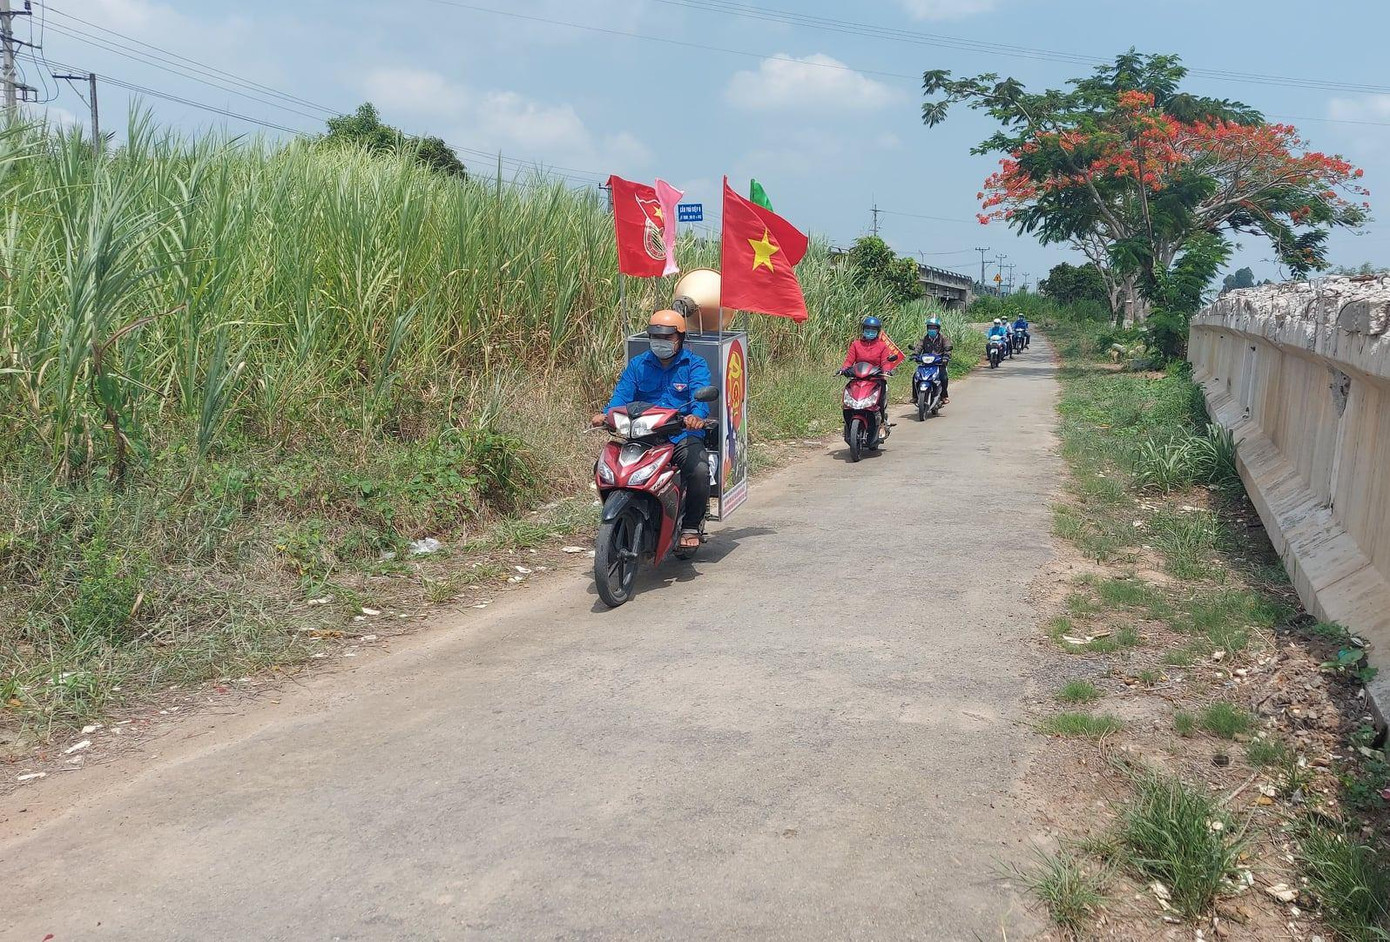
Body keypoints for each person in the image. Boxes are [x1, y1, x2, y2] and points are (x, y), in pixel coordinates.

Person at [592, 309, 712, 550]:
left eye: (667, 337)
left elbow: (701, 397)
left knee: (698, 470)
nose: (661, 342)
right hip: (644, 435)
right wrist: (606, 415)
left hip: (680, 436)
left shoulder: (694, 364)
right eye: (656, 336)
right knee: (604, 467)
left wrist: (695, 417)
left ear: (680, 338)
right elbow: (621, 397)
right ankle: (621, 516)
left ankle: (690, 525)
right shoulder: (638, 365)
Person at [840, 315, 899, 429]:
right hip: (858, 378)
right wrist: (843, 369)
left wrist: (887, 371)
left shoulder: (882, 346)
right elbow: (849, 360)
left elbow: (885, 362)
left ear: (877, 332)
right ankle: (847, 424)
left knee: (880, 399)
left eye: (873, 330)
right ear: (863, 330)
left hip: (875, 379)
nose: (870, 333)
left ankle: (881, 423)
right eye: (867, 330)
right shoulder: (856, 344)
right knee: (848, 400)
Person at [911, 315, 953, 403]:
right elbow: (919, 347)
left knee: (944, 377)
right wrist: (915, 354)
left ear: (938, 329)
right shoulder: (924, 339)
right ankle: (915, 397)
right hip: (925, 364)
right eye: (930, 328)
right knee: (915, 376)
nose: (931, 330)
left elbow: (947, 347)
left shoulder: (943, 339)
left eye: (934, 328)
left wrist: (946, 356)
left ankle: (943, 396)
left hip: (939, 364)